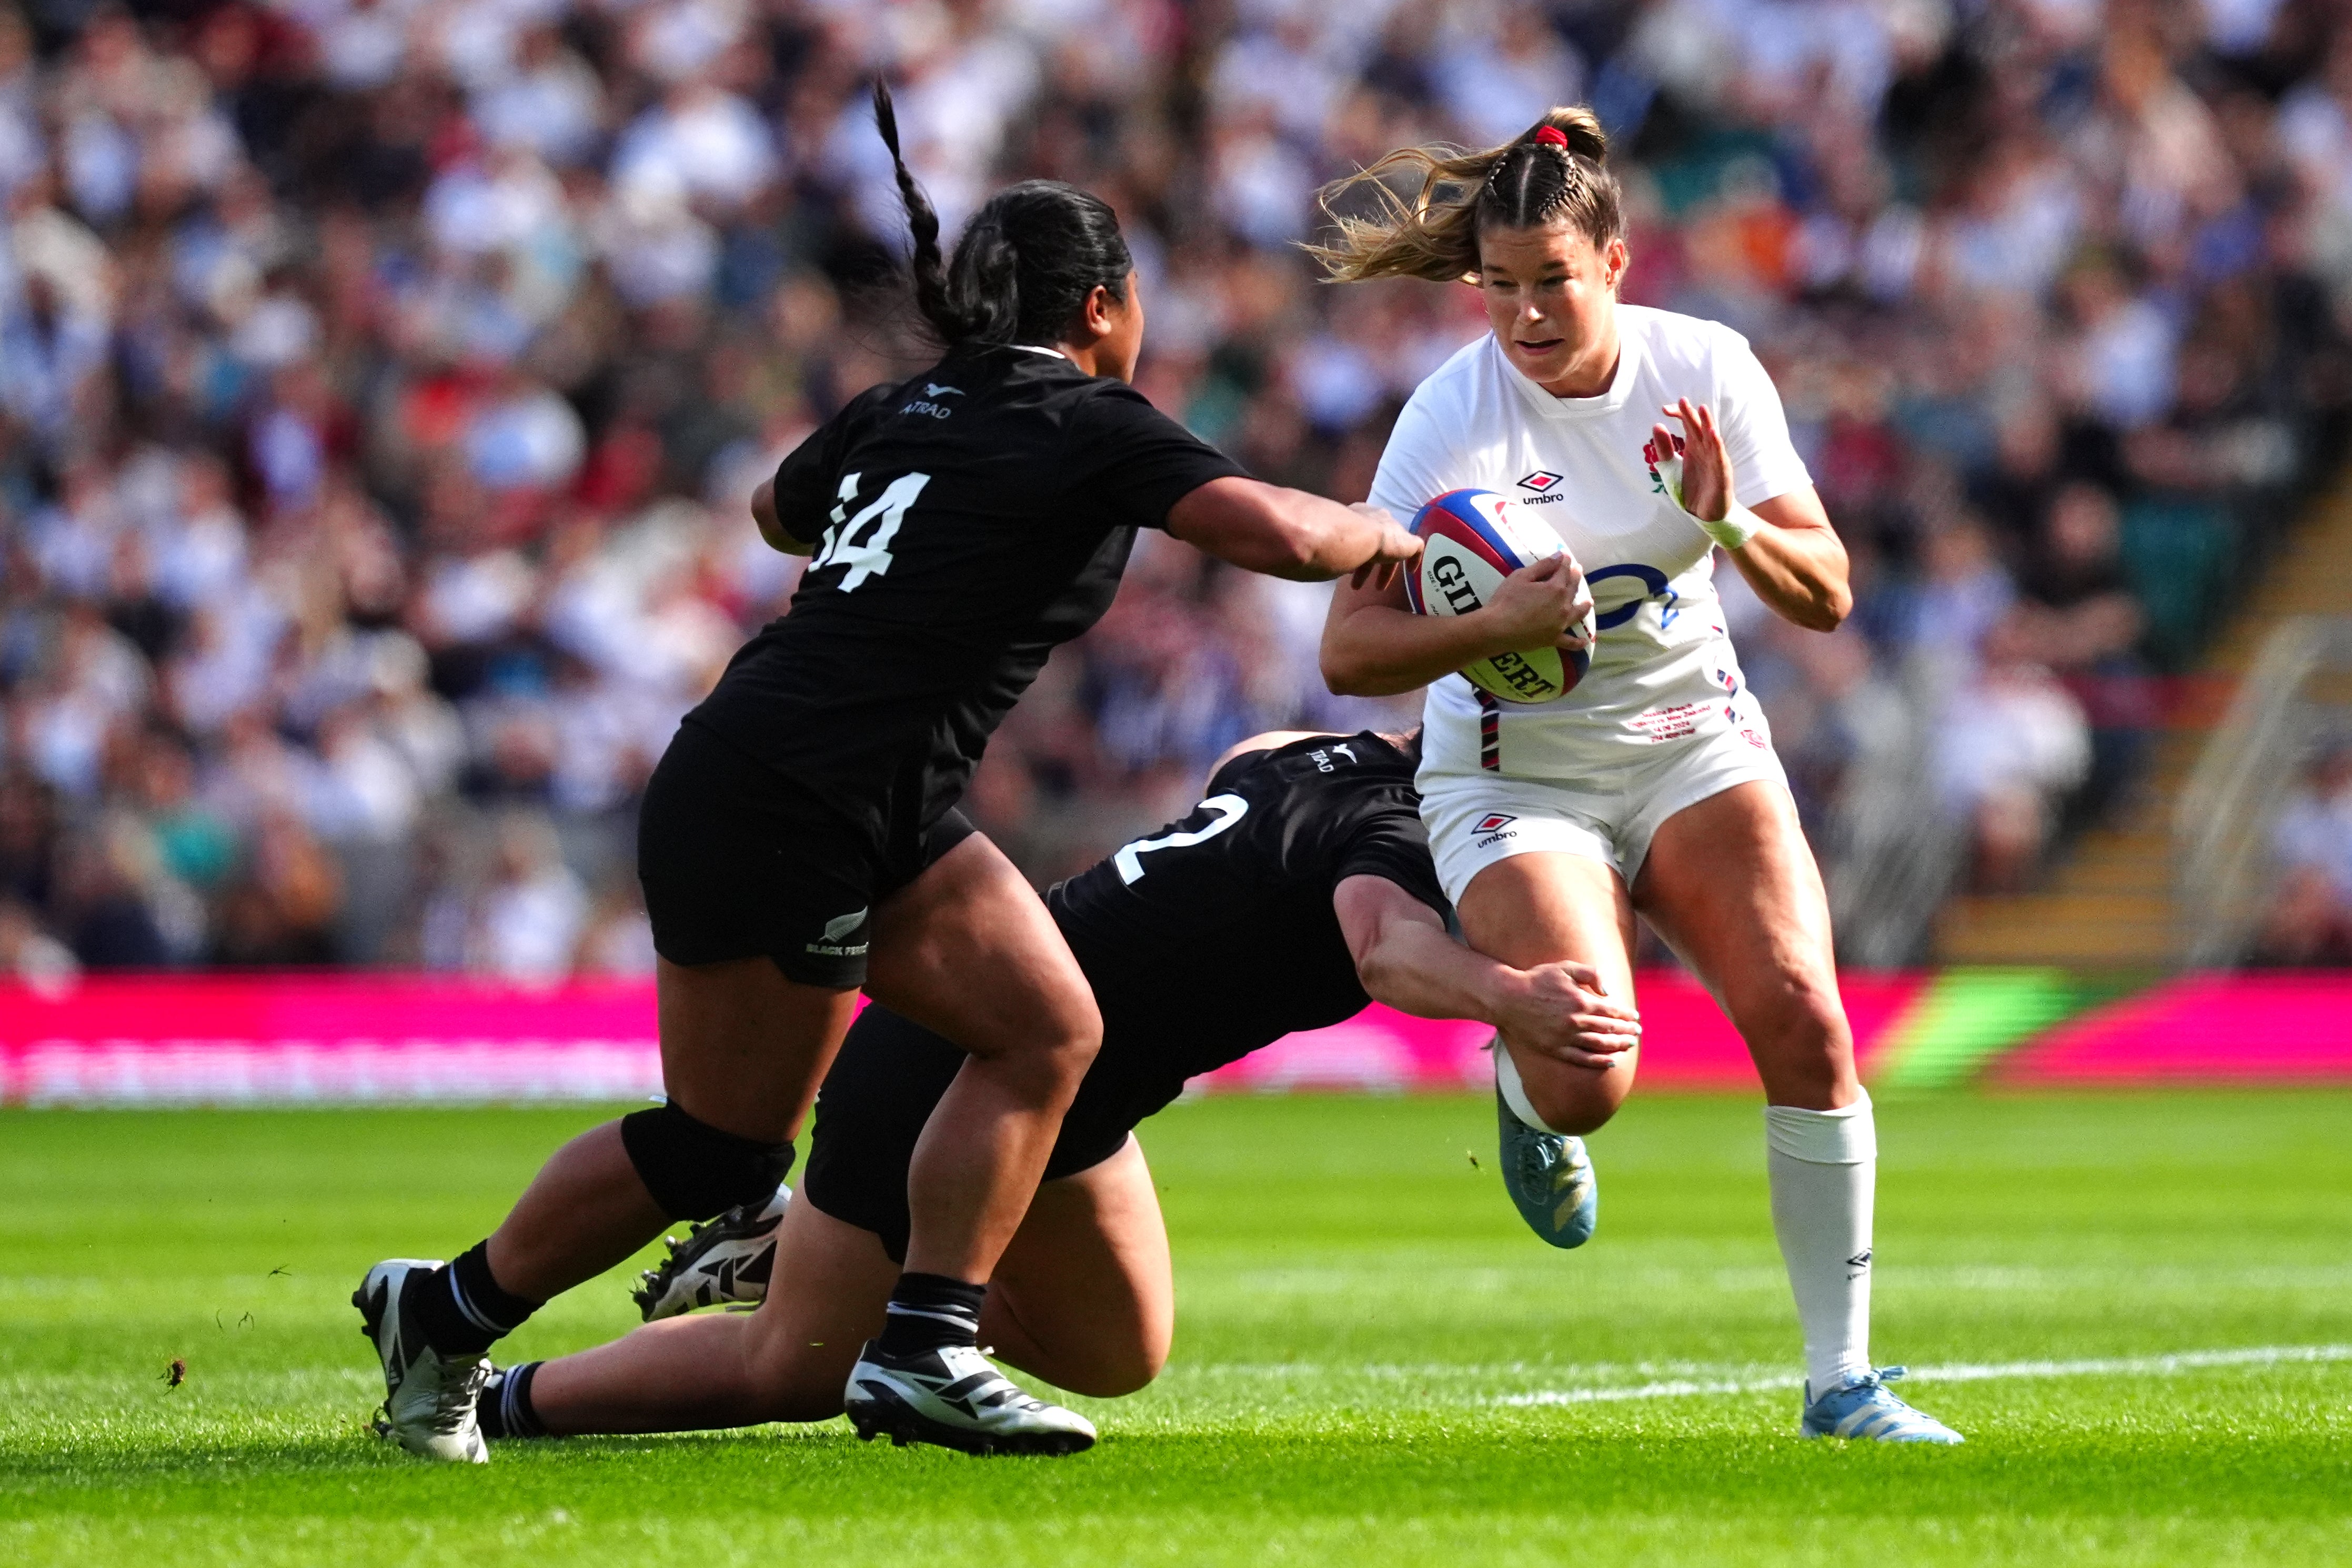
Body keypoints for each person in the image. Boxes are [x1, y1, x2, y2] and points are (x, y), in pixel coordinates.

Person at [355, 85, 1423, 1464]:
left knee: (1048, 1027)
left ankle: (924, 1343)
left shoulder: (901, 405)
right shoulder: (1088, 421)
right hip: (803, 796)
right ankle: (443, 1309)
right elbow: (1277, 535)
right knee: (718, 1152)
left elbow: (771, 510)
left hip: (835, 783)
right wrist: (1378, 532)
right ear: (1101, 306)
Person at [1310, 109, 1963, 1444]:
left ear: (1615, 259)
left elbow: (1827, 590)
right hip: (1511, 773)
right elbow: (1350, 647)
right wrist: (1496, 626)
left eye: (1551, 279)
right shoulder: (1450, 413)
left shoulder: (1706, 366)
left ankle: (1842, 1381)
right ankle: (1522, 1085)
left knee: (1809, 1021)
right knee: (1589, 1074)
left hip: (1690, 741)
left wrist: (1723, 520)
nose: (1526, 314)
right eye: (1499, 286)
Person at [444, 729, 1636, 1449]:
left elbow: (1256, 760)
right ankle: (506, 1401)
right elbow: (1383, 949)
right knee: (792, 1368)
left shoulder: (1313, 759)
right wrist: (1513, 996)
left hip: (1064, 1086)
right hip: (956, 1061)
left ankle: (811, 1248)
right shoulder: (1399, 829)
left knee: (1118, 1351)